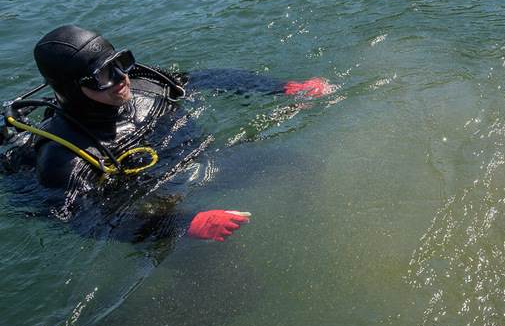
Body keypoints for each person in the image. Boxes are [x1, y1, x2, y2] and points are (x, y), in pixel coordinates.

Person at [2, 25, 333, 243]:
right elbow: (91, 221)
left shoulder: (145, 84)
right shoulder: (64, 158)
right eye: (103, 75)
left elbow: (205, 79)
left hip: (202, 165)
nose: (121, 78)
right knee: (232, 294)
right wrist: (183, 224)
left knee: (297, 165)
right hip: (154, 208)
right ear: (73, 89)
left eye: (121, 63)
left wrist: (284, 88)